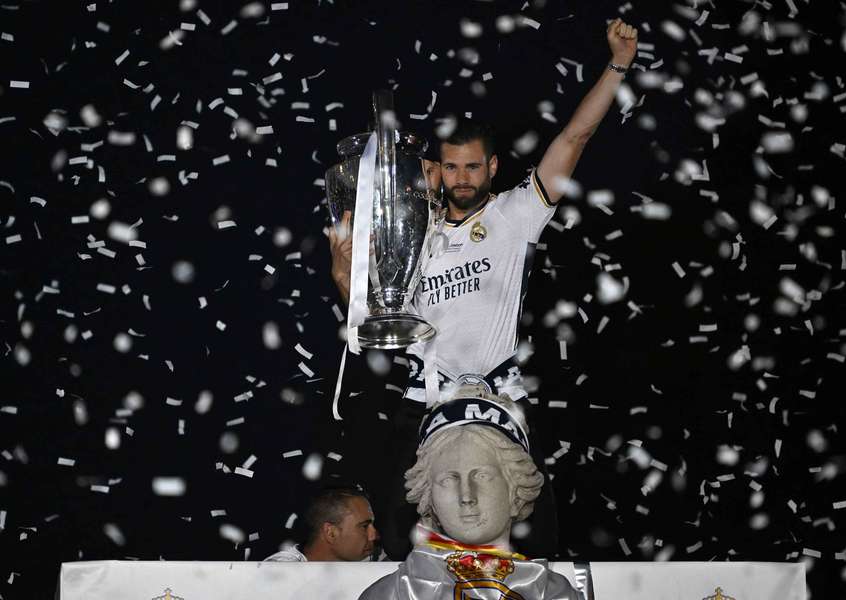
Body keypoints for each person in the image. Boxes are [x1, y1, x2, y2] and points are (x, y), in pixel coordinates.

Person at [329, 19, 639, 558]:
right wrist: (343, 279)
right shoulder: (411, 231)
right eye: (452, 167)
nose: (463, 178)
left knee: (537, 531)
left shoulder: (516, 214)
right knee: (402, 529)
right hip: (425, 394)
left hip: (502, 393)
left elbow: (574, 137)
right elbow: (374, 324)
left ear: (492, 166)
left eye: (473, 166)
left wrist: (618, 66)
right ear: (436, 170)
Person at [358, 388, 579, 600]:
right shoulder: (390, 595)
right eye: (448, 479)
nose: (466, 496)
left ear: (516, 490)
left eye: (482, 476)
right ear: (429, 499)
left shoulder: (556, 595)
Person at [265, 485, 379, 562]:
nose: (374, 535)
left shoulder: (375, 560)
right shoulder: (279, 572)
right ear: (331, 533)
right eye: (364, 526)